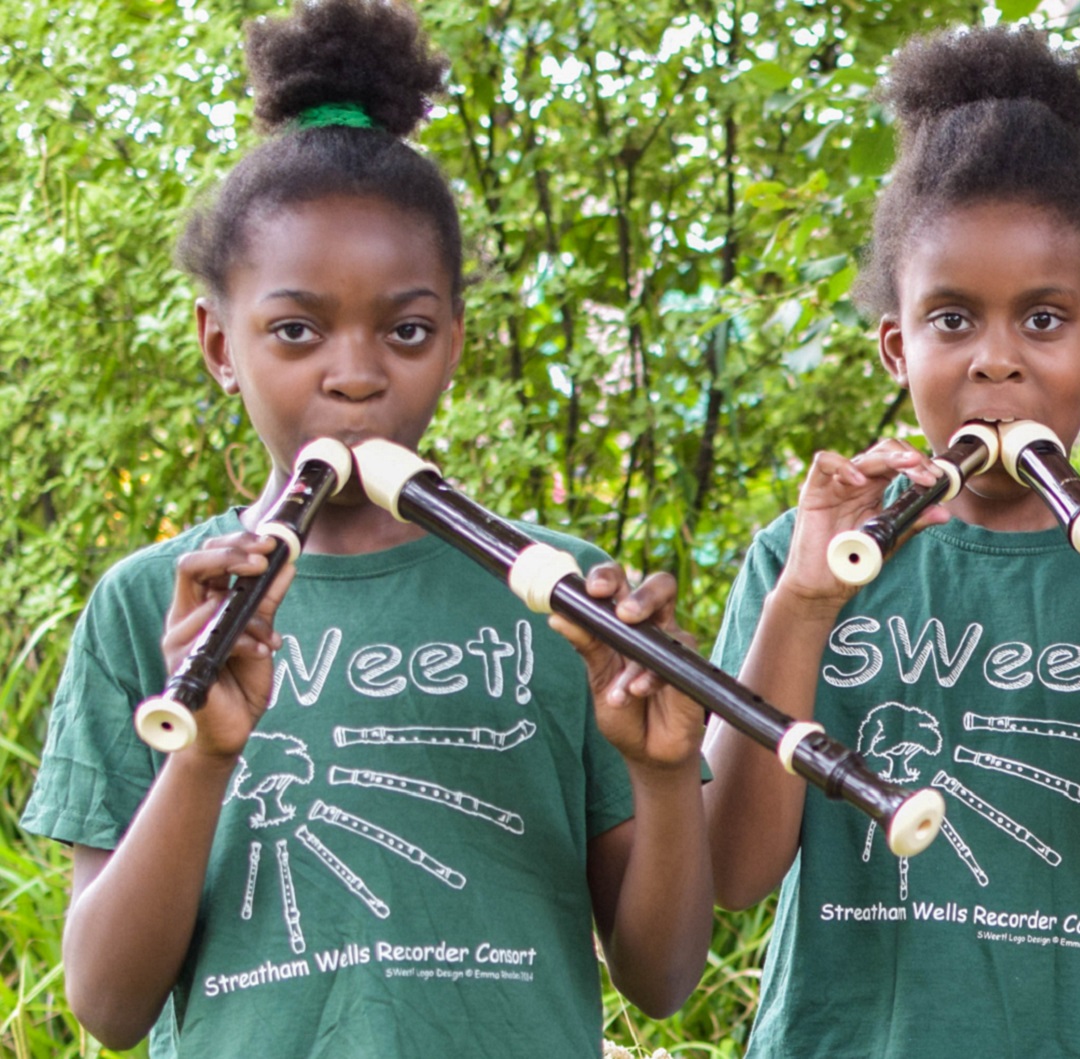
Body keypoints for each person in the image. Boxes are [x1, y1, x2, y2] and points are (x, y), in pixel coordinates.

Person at [19, 3, 715, 1054]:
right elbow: (109, 1008)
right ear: (219, 344)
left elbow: (660, 979)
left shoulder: (564, 591)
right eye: (295, 331)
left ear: (454, 342)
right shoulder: (150, 603)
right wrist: (202, 753)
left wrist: (663, 773)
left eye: (406, 330)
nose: (354, 374)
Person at [699, 27, 1080, 1057]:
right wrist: (801, 608)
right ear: (897, 342)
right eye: (951, 321)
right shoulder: (803, 559)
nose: (997, 363)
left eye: (1045, 320)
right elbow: (724, 873)